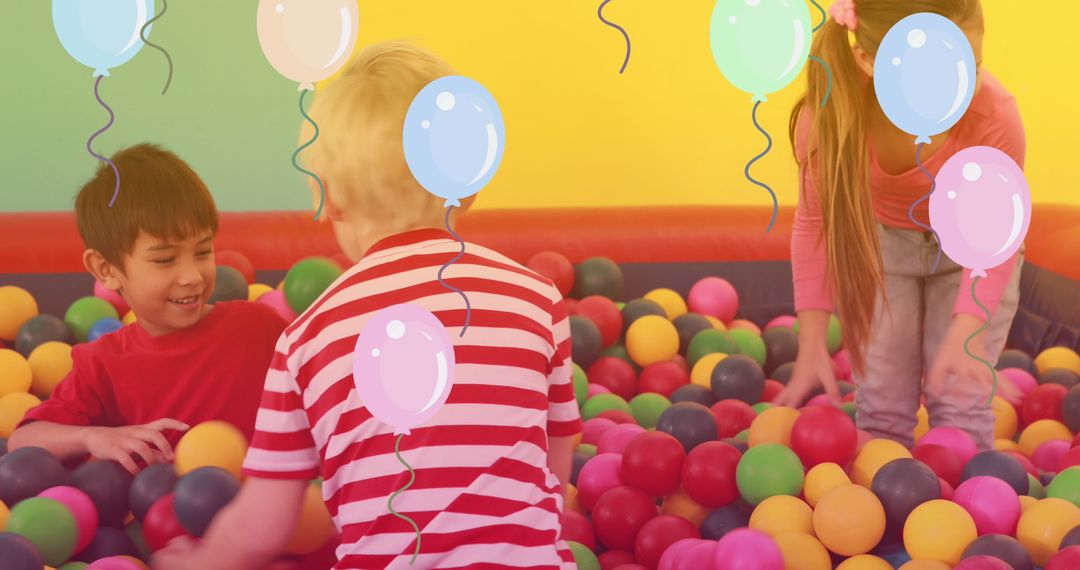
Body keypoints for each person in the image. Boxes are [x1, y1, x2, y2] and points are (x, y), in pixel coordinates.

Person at [153, 42, 581, 569]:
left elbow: (264, 523)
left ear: (328, 197)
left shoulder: (308, 336)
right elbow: (554, 460)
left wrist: (197, 561)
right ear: (465, 186)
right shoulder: (536, 299)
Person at [774, 0, 1024, 451]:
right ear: (868, 61)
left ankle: (965, 515)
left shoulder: (995, 116)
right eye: (932, 78)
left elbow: (995, 241)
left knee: (960, 405)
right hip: (883, 249)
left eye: (970, 65)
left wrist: (966, 330)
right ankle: (881, 514)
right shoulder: (829, 118)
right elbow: (815, 222)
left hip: (975, 252)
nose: (956, 92)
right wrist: (811, 340)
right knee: (882, 408)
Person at [8, 144, 287, 473]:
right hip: (165, 517)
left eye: (203, 251)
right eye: (165, 260)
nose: (192, 276)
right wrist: (93, 437)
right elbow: (22, 441)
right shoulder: (103, 364)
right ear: (106, 270)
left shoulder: (258, 328)